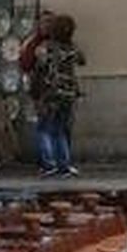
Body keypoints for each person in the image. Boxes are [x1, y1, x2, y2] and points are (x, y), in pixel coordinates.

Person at [33, 13, 84, 177]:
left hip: (50, 92)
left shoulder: (46, 47)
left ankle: (49, 164)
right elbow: (82, 60)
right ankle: (64, 165)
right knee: (61, 129)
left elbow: (39, 68)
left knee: (44, 129)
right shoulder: (72, 48)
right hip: (68, 93)